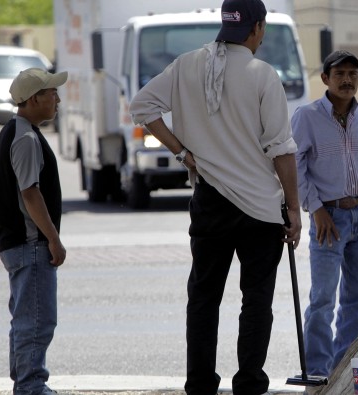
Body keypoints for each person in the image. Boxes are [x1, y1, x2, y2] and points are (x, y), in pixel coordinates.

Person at [129, 0, 302, 394]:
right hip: (260, 206)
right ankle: (249, 383)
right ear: (257, 29)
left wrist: (182, 153)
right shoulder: (263, 74)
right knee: (256, 300)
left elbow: (142, 106)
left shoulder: (187, 64)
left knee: (204, 298)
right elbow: (281, 149)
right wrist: (293, 207)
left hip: (210, 200)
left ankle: (201, 384)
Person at [293, 50, 358, 377]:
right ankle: (318, 375)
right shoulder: (306, 117)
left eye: (353, 74)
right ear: (325, 79)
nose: (347, 80)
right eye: (340, 74)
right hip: (328, 221)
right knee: (322, 301)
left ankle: (341, 370)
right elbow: (295, 168)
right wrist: (316, 209)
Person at [0, 67, 68, 395]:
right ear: (35, 98)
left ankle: (26, 384)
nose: (57, 99)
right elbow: (30, 193)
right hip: (31, 244)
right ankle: (31, 387)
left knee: (25, 319)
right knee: (36, 322)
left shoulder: (15, 131)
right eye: (52, 93)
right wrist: (54, 239)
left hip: (21, 245)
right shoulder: (24, 137)